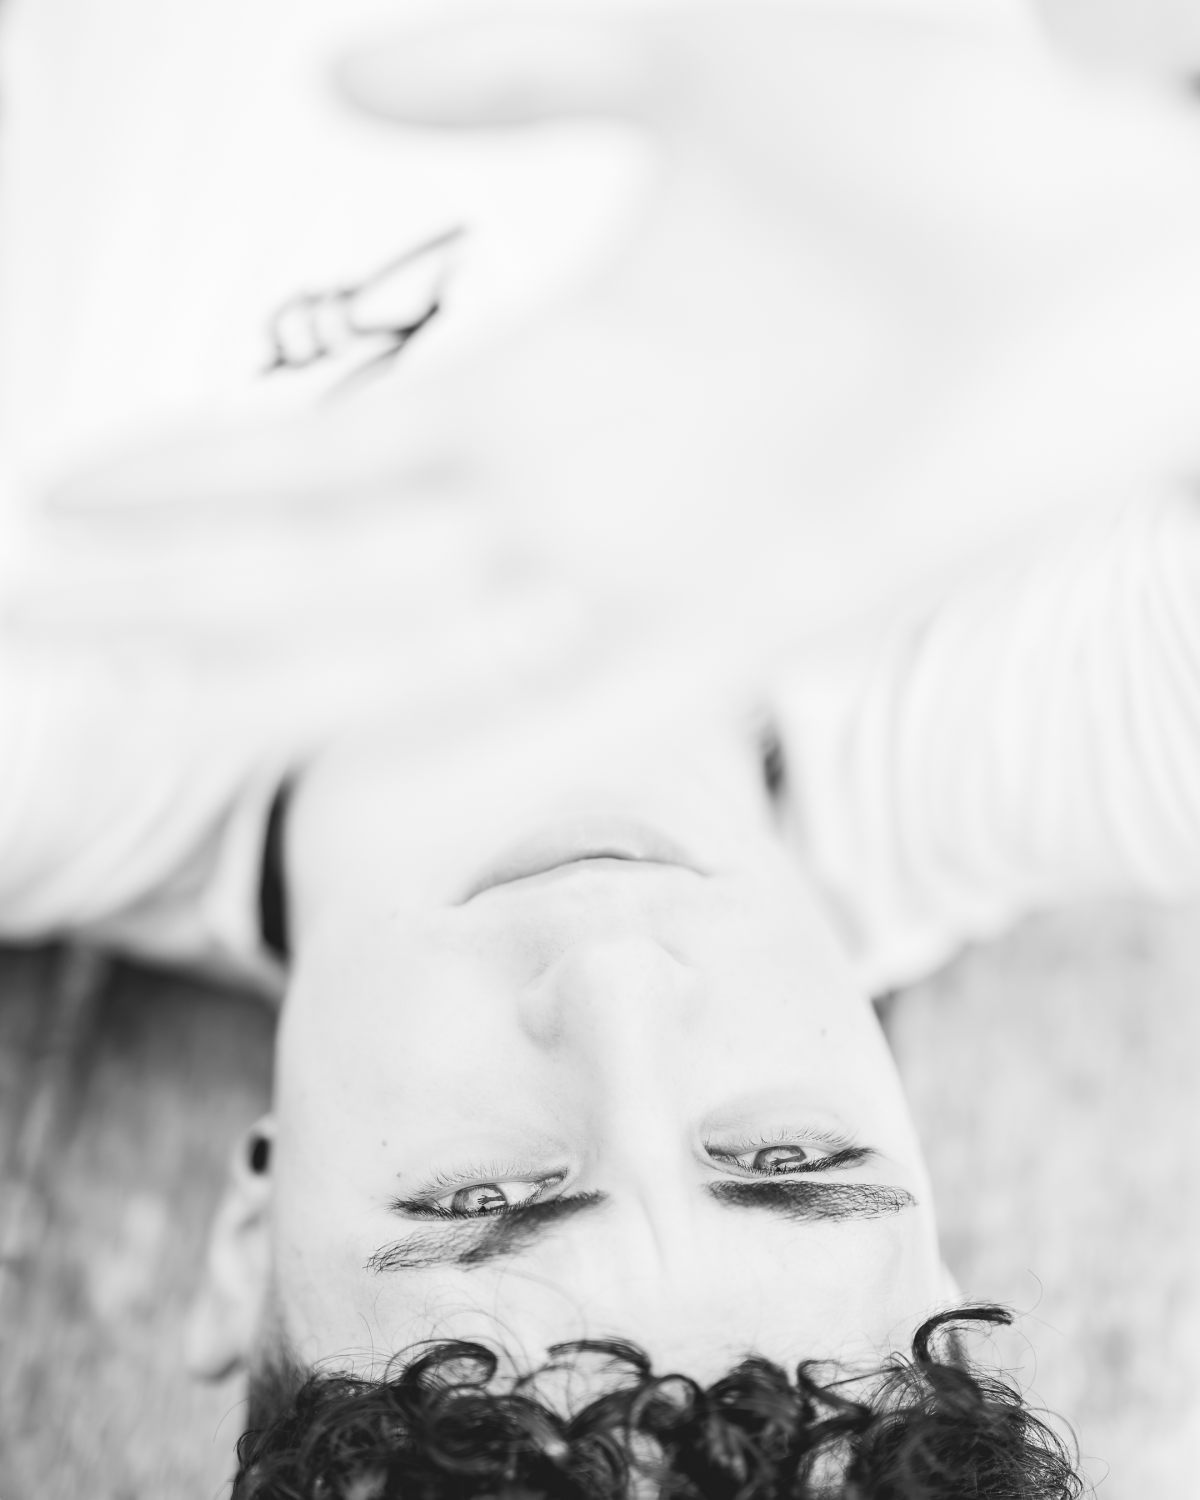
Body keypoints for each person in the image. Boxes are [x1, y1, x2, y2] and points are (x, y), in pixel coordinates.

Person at [2, 1, 1199, 1493]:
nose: (618, 977)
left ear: (249, 1232)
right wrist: (1148, 242)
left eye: (480, 1194)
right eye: (792, 1164)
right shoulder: (1078, 693)